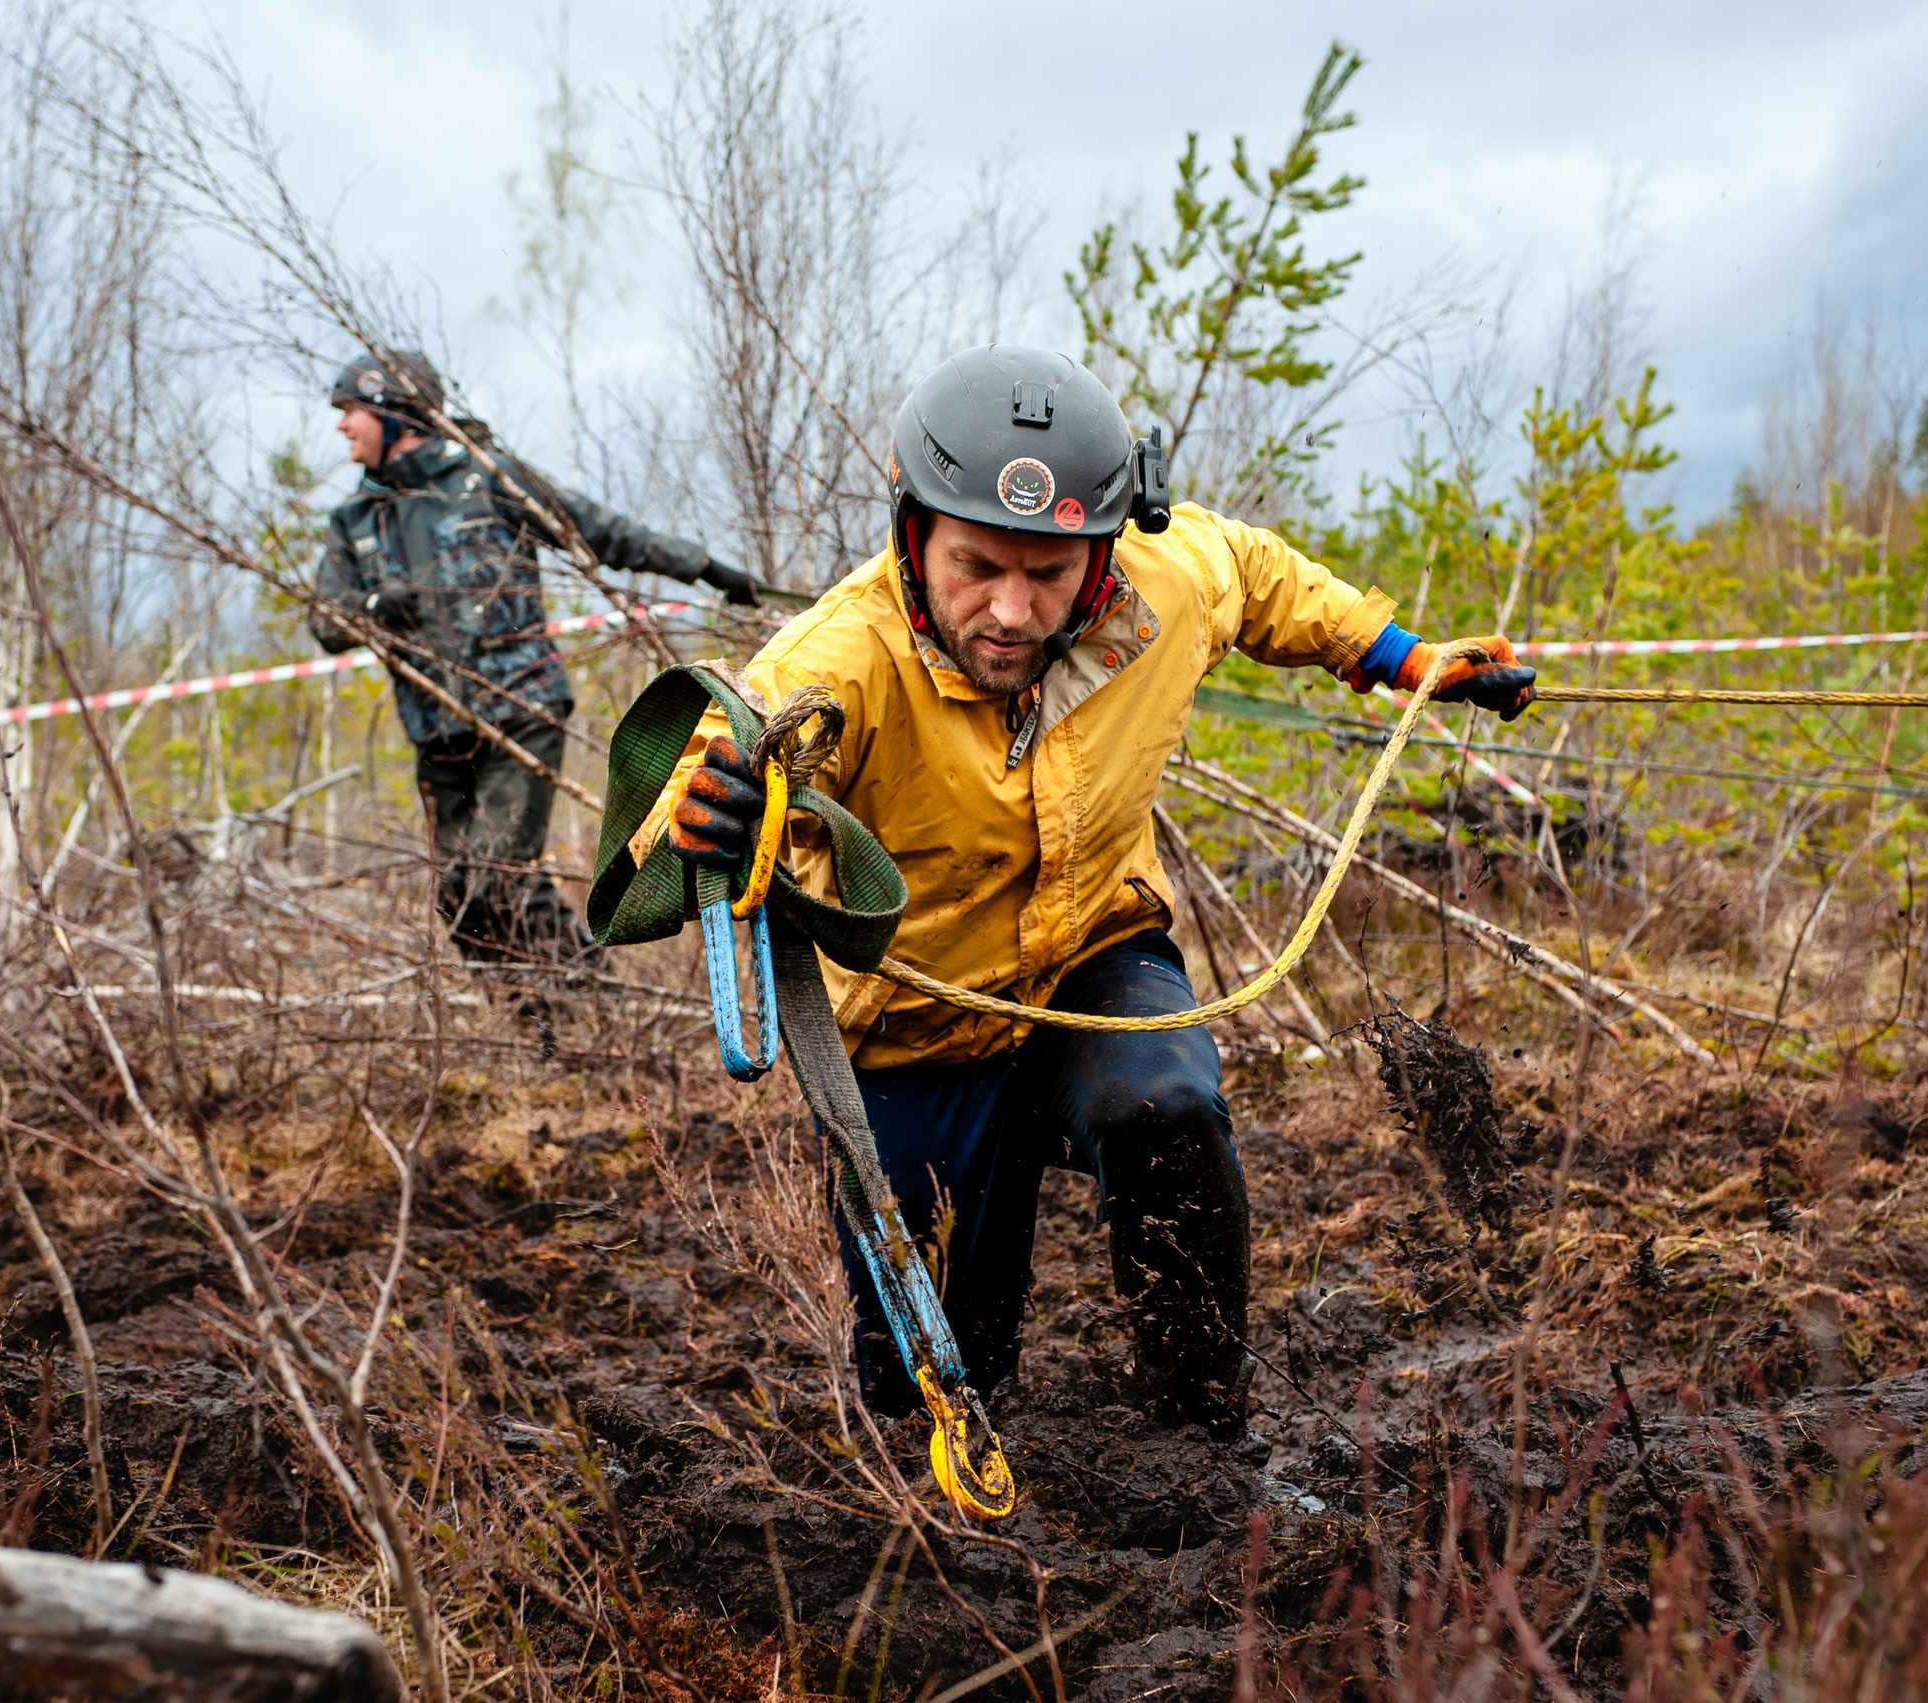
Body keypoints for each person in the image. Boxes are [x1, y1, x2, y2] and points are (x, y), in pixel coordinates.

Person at [657, 345, 1533, 1432]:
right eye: (977, 566)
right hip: (916, 1020)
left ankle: (1198, 1418)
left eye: (1049, 573)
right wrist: (709, 819)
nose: (1011, 610)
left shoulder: (1164, 582)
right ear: (913, 532)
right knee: (932, 1386)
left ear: (1104, 551)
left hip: (1094, 956)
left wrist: (1395, 653)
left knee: (1166, 1104)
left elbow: (1254, 570)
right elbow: (703, 766)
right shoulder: (835, 662)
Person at [311, 348, 759, 963]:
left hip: (520, 705)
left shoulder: (487, 475)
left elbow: (601, 530)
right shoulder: (355, 518)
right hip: (435, 728)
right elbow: (325, 620)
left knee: (497, 876)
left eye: (352, 410)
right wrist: (371, 607)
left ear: (396, 413)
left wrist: (706, 568)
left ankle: (586, 998)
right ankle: (533, 1013)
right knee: (457, 896)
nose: (341, 425)